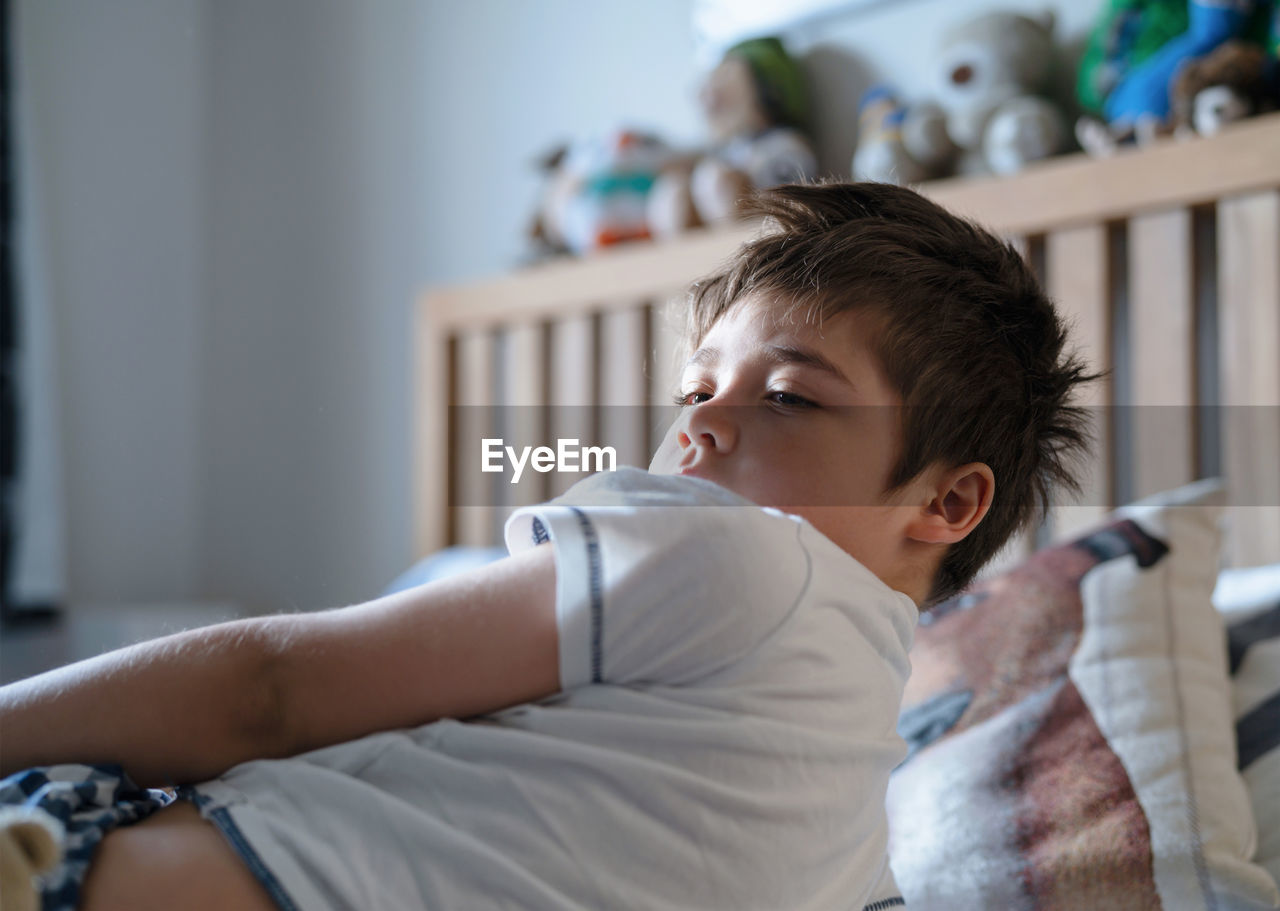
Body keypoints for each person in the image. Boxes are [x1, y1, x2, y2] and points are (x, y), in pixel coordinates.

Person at [0, 181, 1094, 911]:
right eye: (696, 386)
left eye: (792, 398)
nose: (700, 424)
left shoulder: (739, 554)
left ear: (948, 502)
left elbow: (269, 686)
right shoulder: (853, 850)